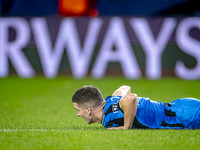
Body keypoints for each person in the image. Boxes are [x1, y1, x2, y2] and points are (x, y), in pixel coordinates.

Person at [72, 85, 200, 130]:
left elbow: (131, 98)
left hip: (186, 116)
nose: (78, 114)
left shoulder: (110, 112)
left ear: (88, 110)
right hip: (180, 105)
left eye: (78, 110)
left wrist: (126, 127)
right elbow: (124, 88)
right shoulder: (110, 100)